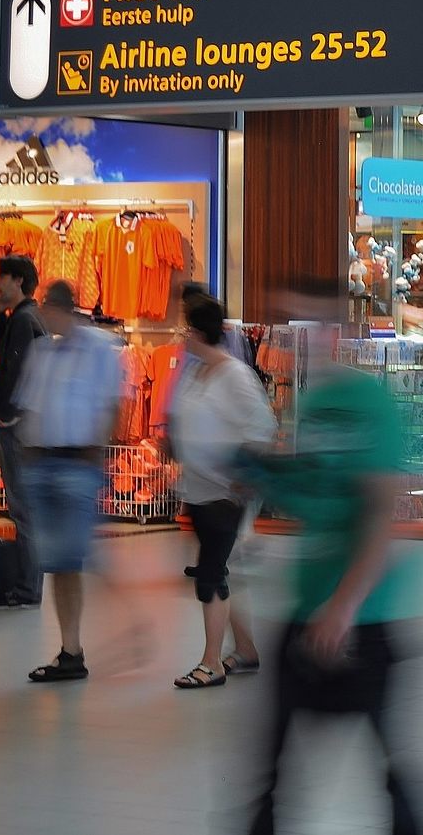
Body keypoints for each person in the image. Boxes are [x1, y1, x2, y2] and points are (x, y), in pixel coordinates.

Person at [239, 277, 423, 835]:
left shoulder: (368, 400)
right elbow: (318, 497)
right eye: (296, 328)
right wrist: (261, 474)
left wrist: (344, 607)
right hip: (309, 605)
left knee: (391, 763)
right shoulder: (312, 402)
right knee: (271, 763)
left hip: (367, 614)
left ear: (339, 333)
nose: (305, 340)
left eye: (316, 327)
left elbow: (381, 512)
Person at [14, 281, 122, 682]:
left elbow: (112, 404)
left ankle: (131, 625)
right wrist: (28, 456)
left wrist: (98, 454)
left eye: (48, 308)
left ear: (63, 308)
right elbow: (30, 404)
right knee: (59, 563)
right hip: (43, 464)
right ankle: (70, 650)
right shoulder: (44, 352)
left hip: (78, 464)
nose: (45, 315)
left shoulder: (98, 348)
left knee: (79, 557)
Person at [168, 295, 276, 689]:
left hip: (224, 494)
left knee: (210, 576)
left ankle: (211, 661)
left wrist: (244, 477)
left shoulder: (234, 375)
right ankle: (245, 648)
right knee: (218, 571)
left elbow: (263, 427)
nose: (182, 337)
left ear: (197, 333)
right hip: (197, 490)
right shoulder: (196, 373)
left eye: (185, 330)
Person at [0, 254, 48, 611]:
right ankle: (28, 587)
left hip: (18, 425)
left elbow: (16, 370)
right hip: (26, 424)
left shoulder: (25, 320)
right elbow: (3, 355)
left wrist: (9, 415)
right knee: (25, 508)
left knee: (22, 508)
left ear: (18, 281)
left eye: (2, 277)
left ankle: (27, 589)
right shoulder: (26, 317)